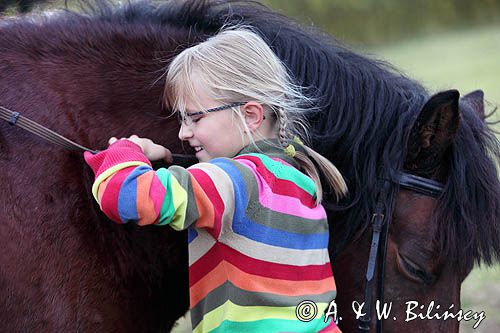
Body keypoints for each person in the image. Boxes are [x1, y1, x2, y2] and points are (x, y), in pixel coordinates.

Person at [84, 27, 347, 333]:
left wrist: (126, 150)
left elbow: (126, 195)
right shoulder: (302, 180)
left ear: (250, 115)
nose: (183, 133)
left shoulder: (233, 181)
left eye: (195, 118)